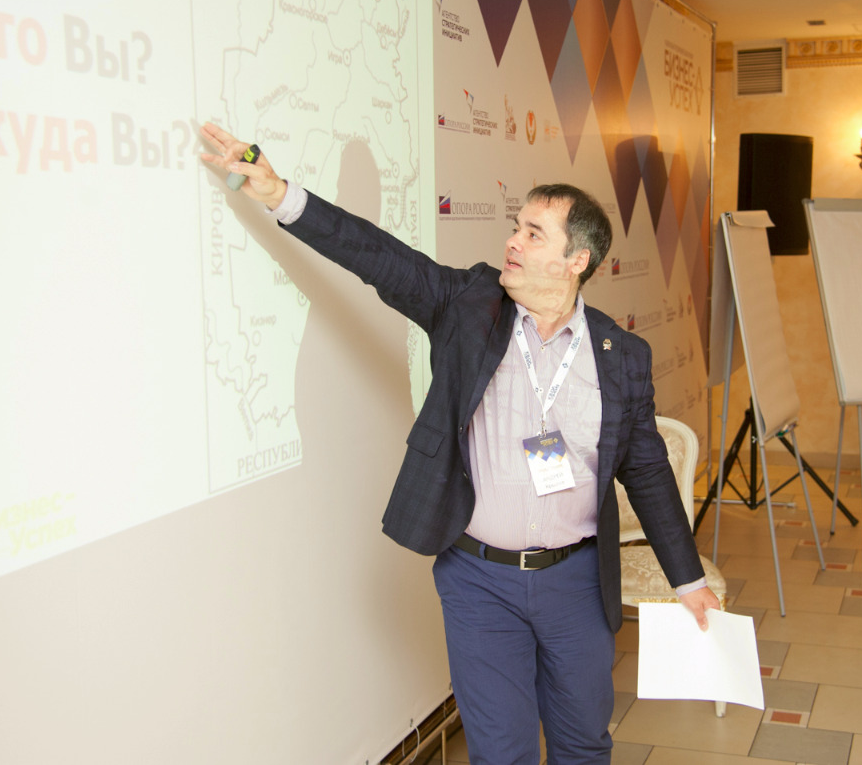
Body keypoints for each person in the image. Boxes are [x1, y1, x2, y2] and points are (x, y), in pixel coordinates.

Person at [199, 123, 720, 765]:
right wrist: (280, 194)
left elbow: (648, 472)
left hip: (577, 582)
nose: (513, 241)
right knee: (499, 754)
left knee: (583, 745)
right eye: (516, 227)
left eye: (534, 234)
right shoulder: (470, 305)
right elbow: (380, 256)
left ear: (576, 261)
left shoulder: (621, 355)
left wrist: (688, 579)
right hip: (480, 580)